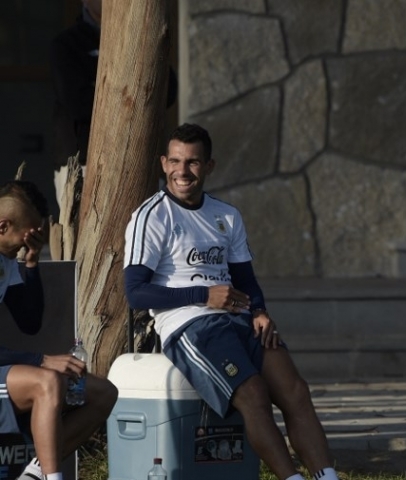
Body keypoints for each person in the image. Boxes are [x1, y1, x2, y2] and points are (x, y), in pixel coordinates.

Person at [123, 123, 340, 480]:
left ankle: (327, 477)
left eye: (193, 162)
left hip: (239, 318)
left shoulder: (226, 215)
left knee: (296, 392)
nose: (183, 171)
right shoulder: (152, 216)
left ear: (209, 166)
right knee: (253, 394)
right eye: (175, 161)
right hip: (191, 326)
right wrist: (203, 295)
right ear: (163, 164)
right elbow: (135, 293)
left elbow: (246, 280)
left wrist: (259, 311)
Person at [0, 180, 118, 480]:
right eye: (25, 239)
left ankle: (34, 474)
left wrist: (32, 262)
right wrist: (39, 360)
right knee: (47, 382)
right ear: (3, 226)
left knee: (102, 392)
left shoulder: (6, 259)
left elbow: (29, 321)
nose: (28, 244)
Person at [50, 0, 176, 210]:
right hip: (82, 162)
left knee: (148, 233)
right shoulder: (67, 44)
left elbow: (167, 92)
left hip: (141, 157)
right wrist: (135, 91)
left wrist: (104, 87)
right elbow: (77, 102)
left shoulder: (141, 38)